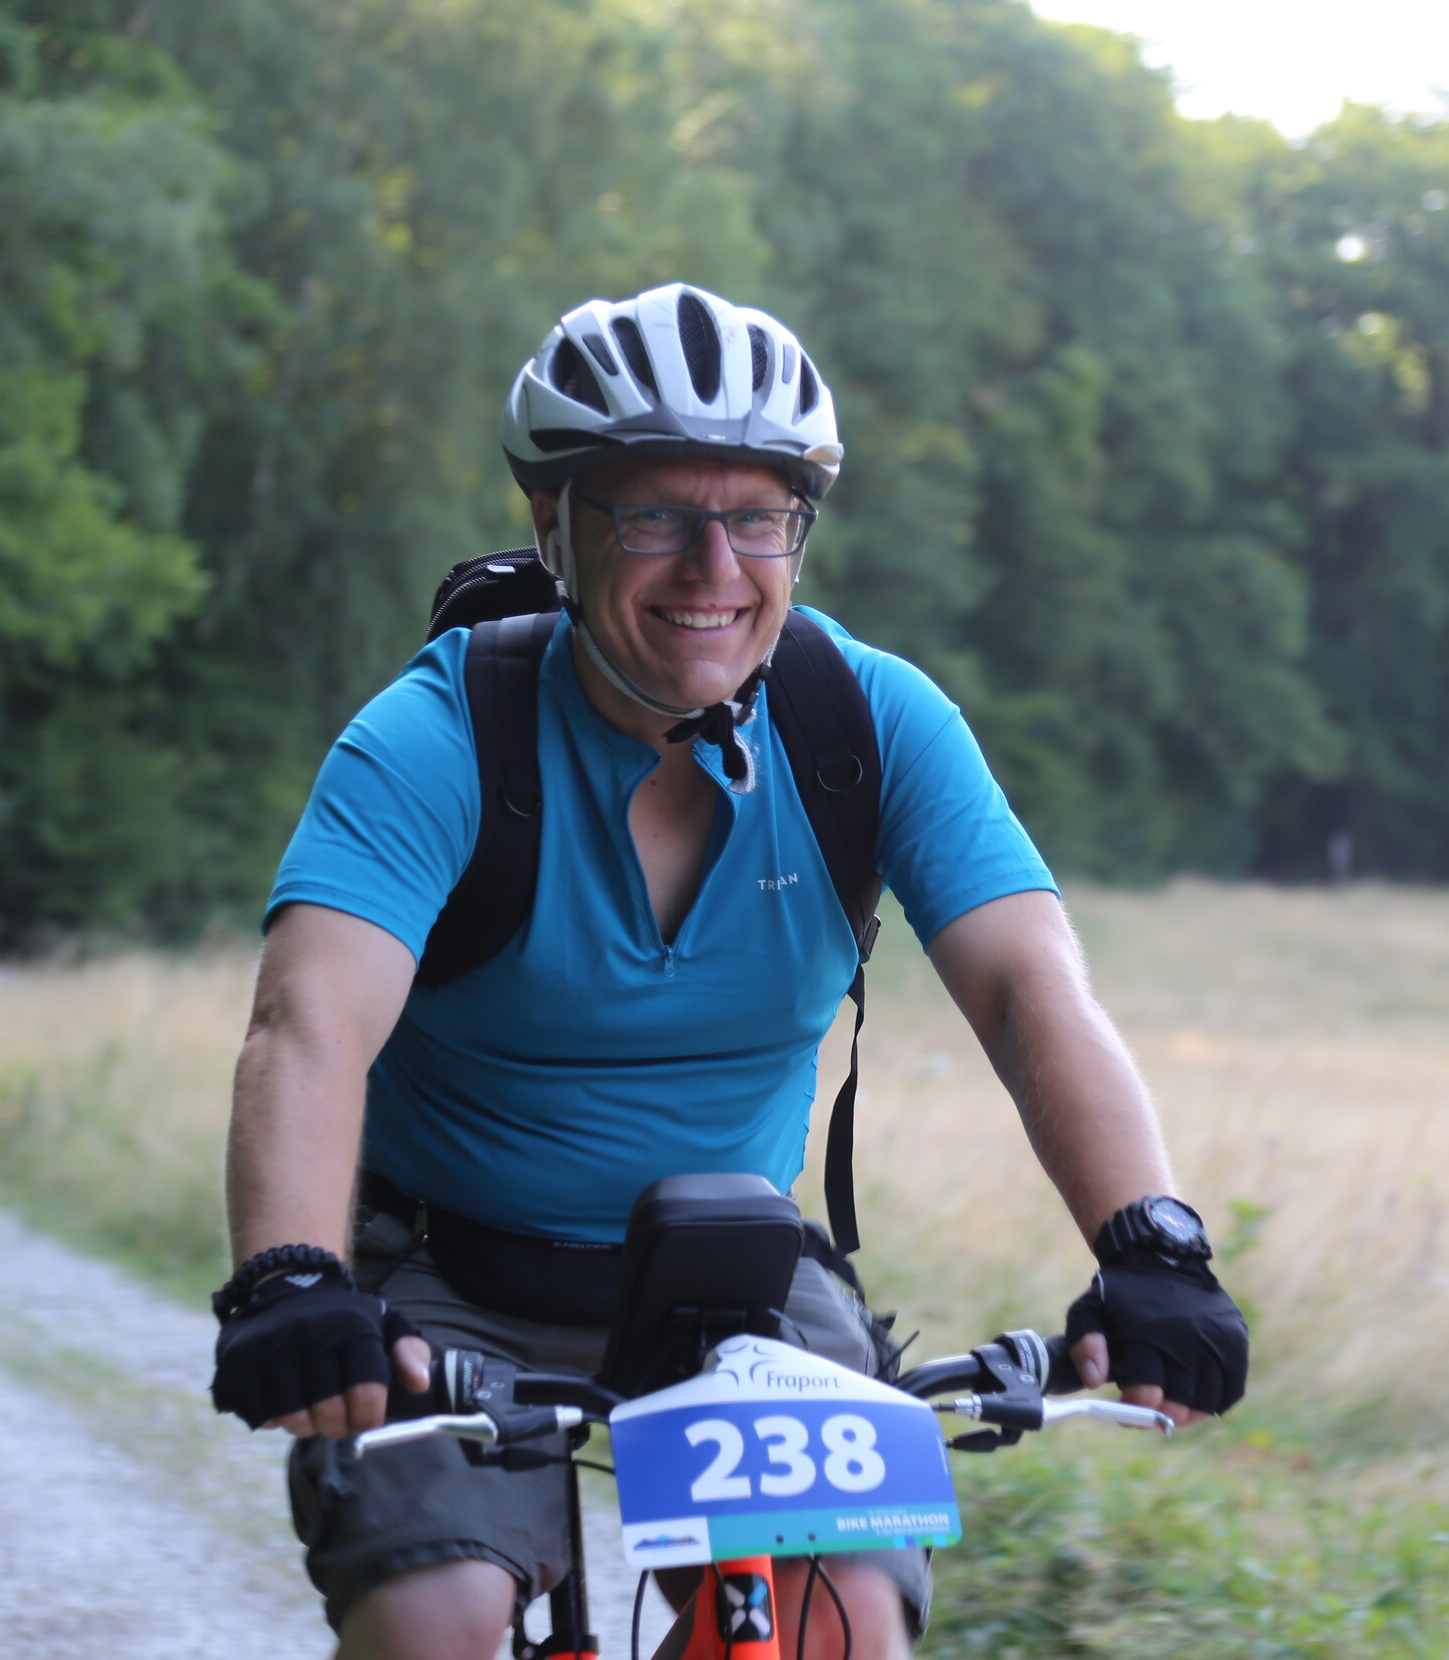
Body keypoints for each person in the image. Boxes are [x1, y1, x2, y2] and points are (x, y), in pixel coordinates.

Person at [212, 283, 1249, 1660]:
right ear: (556, 526)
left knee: (838, 1624)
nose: (714, 565)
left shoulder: (868, 722)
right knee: (434, 1618)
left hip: (740, 1285)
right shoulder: (438, 735)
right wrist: (292, 1279)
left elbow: (1030, 992)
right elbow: (309, 1020)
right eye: (655, 515)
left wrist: (1153, 1246)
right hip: (448, 1275)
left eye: (758, 517)